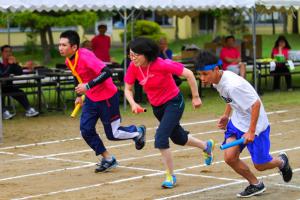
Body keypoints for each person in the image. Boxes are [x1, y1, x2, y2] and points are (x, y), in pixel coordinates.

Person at [195, 50, 293, 198]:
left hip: (257, 126)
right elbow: (230, 99)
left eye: (205, 74)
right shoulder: (217, 81)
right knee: (229, 158)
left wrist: (251, 131)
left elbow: (256, 104)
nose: (202, 78)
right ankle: (255, 185)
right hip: (237, 122)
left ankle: (281, 162)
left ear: (216, 69)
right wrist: (226, 115)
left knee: (260, 165)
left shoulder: (233, 85)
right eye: (199, 74)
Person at [124, 37, 215, 189]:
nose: (132, 58)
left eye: (135, 55)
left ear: (147, 53)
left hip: (173, 102)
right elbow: (127, 88)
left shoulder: (162, 64)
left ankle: (170, 175)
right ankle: (206, 146)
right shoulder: (134, 67)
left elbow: (189, 74)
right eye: (130, 55)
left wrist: (196, 97)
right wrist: (133, 103)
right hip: (157, 107)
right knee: (178, 138)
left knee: (161, 138)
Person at [58, 30, 146, 173]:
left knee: (113, 134)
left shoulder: (85, 56)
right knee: (86, 130)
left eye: (63, 45)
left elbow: (107, 72)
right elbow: (78, 75)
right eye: (59, 44)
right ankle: (108, 159)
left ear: (74, 47)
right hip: (91, 98)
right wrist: (79, 95)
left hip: (107, 97)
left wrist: (87, 86)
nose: (60, 48)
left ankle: (137, 132)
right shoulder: (69, 60)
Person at [0, 45, 39, 120]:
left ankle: (29, 109)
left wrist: (15, 64)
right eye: (6, 51)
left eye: (10, 51)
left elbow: (19, 72)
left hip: (8, 86)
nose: (8, 53)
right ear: (2, 53)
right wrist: (11, 65)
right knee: (1, 95)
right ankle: (3, 112)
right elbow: (2, 75)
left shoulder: (10, 62)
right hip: (0, 87)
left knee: (21, 93)